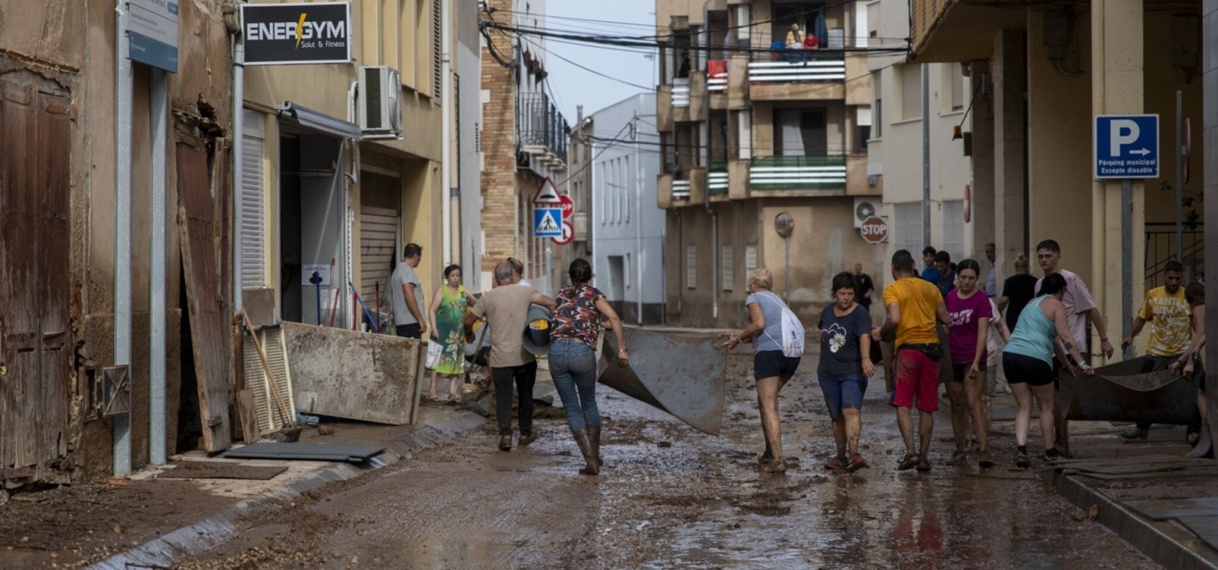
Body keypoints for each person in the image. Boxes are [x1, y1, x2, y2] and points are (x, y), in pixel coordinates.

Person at [1002, 273, 1095, 467]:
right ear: (1062, 290)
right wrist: (1082, 363)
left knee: (1024, 406)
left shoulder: (1031, 304)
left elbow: (1053, 340)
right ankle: (1050, 451)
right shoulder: (1057, 305)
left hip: (1011, 355)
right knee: (1046, 406)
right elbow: (1065, 336)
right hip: (1035, 358)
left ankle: (1021, 449)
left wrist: (1066, 364)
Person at [464, 261, 556, 451]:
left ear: (496, 279)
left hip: (500, 359)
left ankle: (505, 435)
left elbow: (469, 320)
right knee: (525, 396)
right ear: (512, 276)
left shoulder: (488, 298)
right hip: (525, 356)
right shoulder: (525, 292)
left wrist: (468, 333)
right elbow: (550, 302)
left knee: (503, 397)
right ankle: (525, 433)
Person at [549, 259, 629, 476]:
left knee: (571, 408)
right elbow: (613, 317)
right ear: (590, 276)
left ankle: (590, 460)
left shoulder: (560, 294)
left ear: (570, 275)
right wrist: (621, 349)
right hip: (581, 352)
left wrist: (596, 324)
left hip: (556, 352)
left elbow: (570, 318)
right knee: (588, 403)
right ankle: (594, 455)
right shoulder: (594, 294)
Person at [1034, 239, 1114, 455]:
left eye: (1048, 256)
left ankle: (1062, 443)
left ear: (1058, 256)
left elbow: (1091, 308)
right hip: (1047, 348)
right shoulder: (1039, 284)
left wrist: (1104, 338)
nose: (1044, 260)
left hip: (1071, 348)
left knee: (1064, 397)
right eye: (1040, 256)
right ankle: (1057, 443)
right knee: (1051, 398)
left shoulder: (1070, 279)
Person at [873, 250, 950, 472]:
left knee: (903, 403)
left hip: (908, 351)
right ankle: (924, 458)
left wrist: (881, 332)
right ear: (913, 265)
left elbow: (894, 318)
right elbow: (946, 318)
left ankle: (911, 453)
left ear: (893, 268)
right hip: (932, 352)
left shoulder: (893, 289)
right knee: (926, 406)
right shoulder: (930, 287)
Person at [724, 268, 802, 474]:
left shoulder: (753, 298)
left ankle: (778, 459)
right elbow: (766, 329)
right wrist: (744, 337)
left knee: (768, 406)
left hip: (770, 354)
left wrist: (738, 338)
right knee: (765, 402)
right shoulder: (778, 300)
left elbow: (759, 324)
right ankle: (770, 451)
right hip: (791, 354)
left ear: (752, 285)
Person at [1120, 261, 1192, 441]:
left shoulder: (1188, 296)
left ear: (1181, 277)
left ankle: (1193, 431)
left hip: (1182, 351)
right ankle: (1142, 427)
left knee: (1189, 391)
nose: (1174, 282)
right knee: (1146, 391)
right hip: (1156, 351)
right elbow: (1142, 317)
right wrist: (1130, 336)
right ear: (1164, 276)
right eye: (1170, 278)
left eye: (1177, 278)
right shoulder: (1153, 295)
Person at [817, 273, 874, 472]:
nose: (846, 297)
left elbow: (865, 337)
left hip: (852, 370)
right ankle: (840, 457)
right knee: (836, 416)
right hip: (827, 373)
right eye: (842, 293)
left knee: (850, 409)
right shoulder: (826, 311)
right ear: (835, 293)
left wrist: (866, 359)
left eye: (850, 293)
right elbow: (822, 335)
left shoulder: (860, 314)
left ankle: (854, 453)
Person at [943, 260, 994, 468]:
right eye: (963, 277)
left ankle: (983, 450)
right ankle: (960, 448)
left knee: (974, 402)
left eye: (971, 278)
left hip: (973, 358)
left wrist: (976, 361)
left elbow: (983, 332)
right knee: (956, 403)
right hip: (952, 357)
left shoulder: (982, 300)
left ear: (977, 278)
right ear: (958, 276)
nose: (966, 281)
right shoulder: (949, 297)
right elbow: (945, 324)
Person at [427, 264, 477, 402]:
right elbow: (432, 309)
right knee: (437, 361)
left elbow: (478, 306)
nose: (455, 279)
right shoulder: (441, 291)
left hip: (457, 334)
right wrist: (434, 328)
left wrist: (469, 298)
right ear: (447, 277)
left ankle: (452, 392)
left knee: (456, 361)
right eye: (452, 276)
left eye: (457, 276)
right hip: (442, 332)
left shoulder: (463, 291)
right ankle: (432, 391)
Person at [1173, 281, 1207, 445]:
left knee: (1201, 392)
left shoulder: (1199, 309)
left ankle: (1208, 431)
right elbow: (1195, 341)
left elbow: (1200, 336)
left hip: (1207, 360)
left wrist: (1190, 363)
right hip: (1203, 358)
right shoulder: (1206, 308)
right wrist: (1180, 361)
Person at [391, 243, 427, 339]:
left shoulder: (397, 270)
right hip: (410, 321)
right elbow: (409, 295)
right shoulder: (406, 270)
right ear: (416, 256)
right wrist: (420, 319)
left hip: (401, 322)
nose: (419, 261)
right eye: (419, 258)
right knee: (414, 352)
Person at [999, 254, 1038, 331]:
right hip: (1030, 315)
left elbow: (1004, 300)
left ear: (1015, 267)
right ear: (1028, 267)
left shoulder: (1009, 281)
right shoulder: (1035, 281)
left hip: (1013, 315)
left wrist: (998, 310)